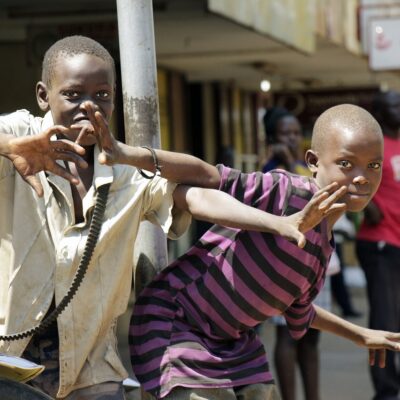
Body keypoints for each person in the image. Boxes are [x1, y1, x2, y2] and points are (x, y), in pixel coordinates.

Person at [0, 35, 330, 400]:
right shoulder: (17, 135)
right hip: (11, 363)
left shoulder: (125, 174)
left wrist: (277, 222)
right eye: (73, 94)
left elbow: (198, 192)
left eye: (102, 95)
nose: (89, 107)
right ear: (44, 95)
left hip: (90, 371)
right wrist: (7, 149)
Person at [129, 103, 400, 400]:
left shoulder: (320, 253)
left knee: (264, 394)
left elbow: (300, 311)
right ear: (313, 161)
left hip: (233, 343)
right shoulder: (285, 191)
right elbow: (207, 176)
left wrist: (359, 334)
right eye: (346, 164)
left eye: (373, 166)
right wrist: (127, 155)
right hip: (177, 322)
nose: (362, 177)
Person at [262, 107, 325, 400]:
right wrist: (286, 162)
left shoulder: (306, 165)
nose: (292, 139)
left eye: (296, 133)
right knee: (288, 334)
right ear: (272, 138)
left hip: (314, 261)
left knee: (312, 335)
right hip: (284, 266)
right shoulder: (269, 170)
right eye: (285, 134)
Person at [356, 90, 400, 400]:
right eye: (393, 105)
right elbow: (350, 179)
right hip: (380, 242)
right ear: (380, 112)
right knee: (385, 319)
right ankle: (386, 391)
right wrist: (368, 205)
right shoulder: (374, 146)